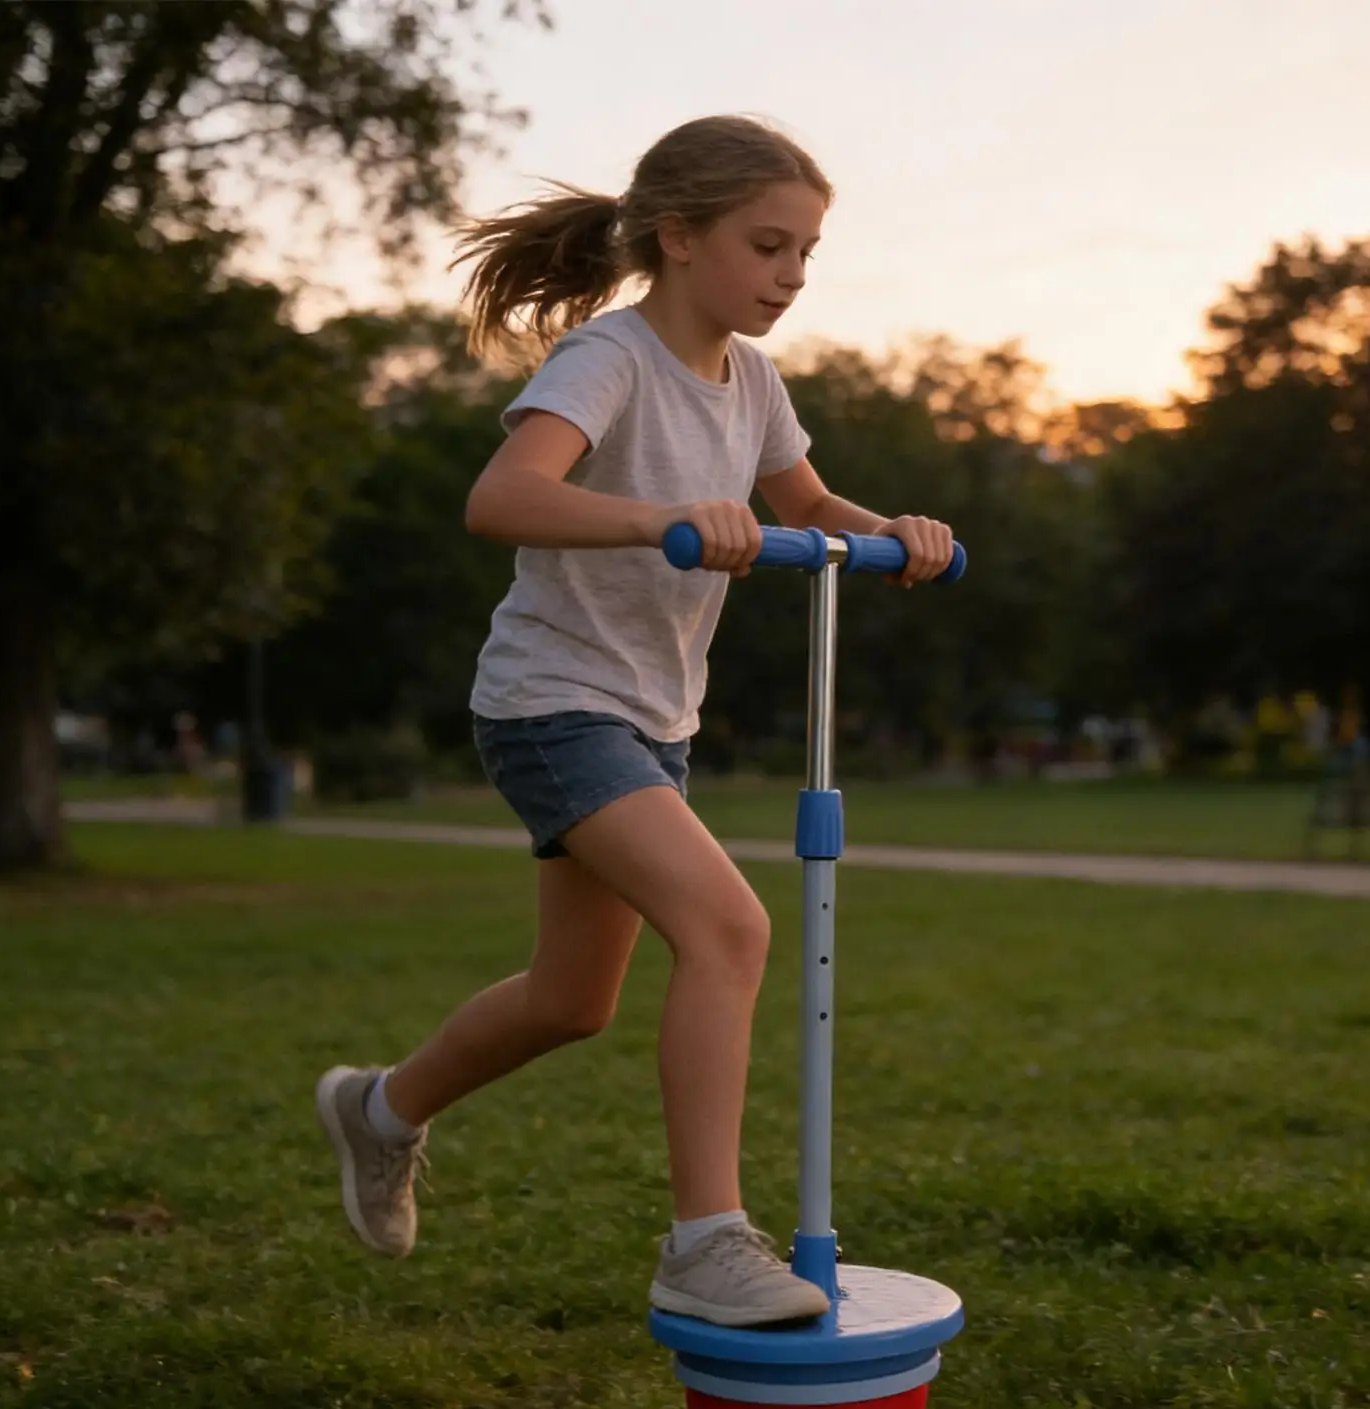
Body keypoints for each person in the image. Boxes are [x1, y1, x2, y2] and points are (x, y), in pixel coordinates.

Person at [316, 115, 955, 1327]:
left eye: (806, 254)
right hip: (552, 703)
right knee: (728, 925)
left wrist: (898, 533)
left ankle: (379, 1107)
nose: (789, 276)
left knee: (572, 999)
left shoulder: (753, 379)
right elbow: (501, 498)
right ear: (676, 234)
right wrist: (663, 515)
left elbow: (807, 499)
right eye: (767, 245)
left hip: (652, 720)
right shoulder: (605, 359)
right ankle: (704, 1240)